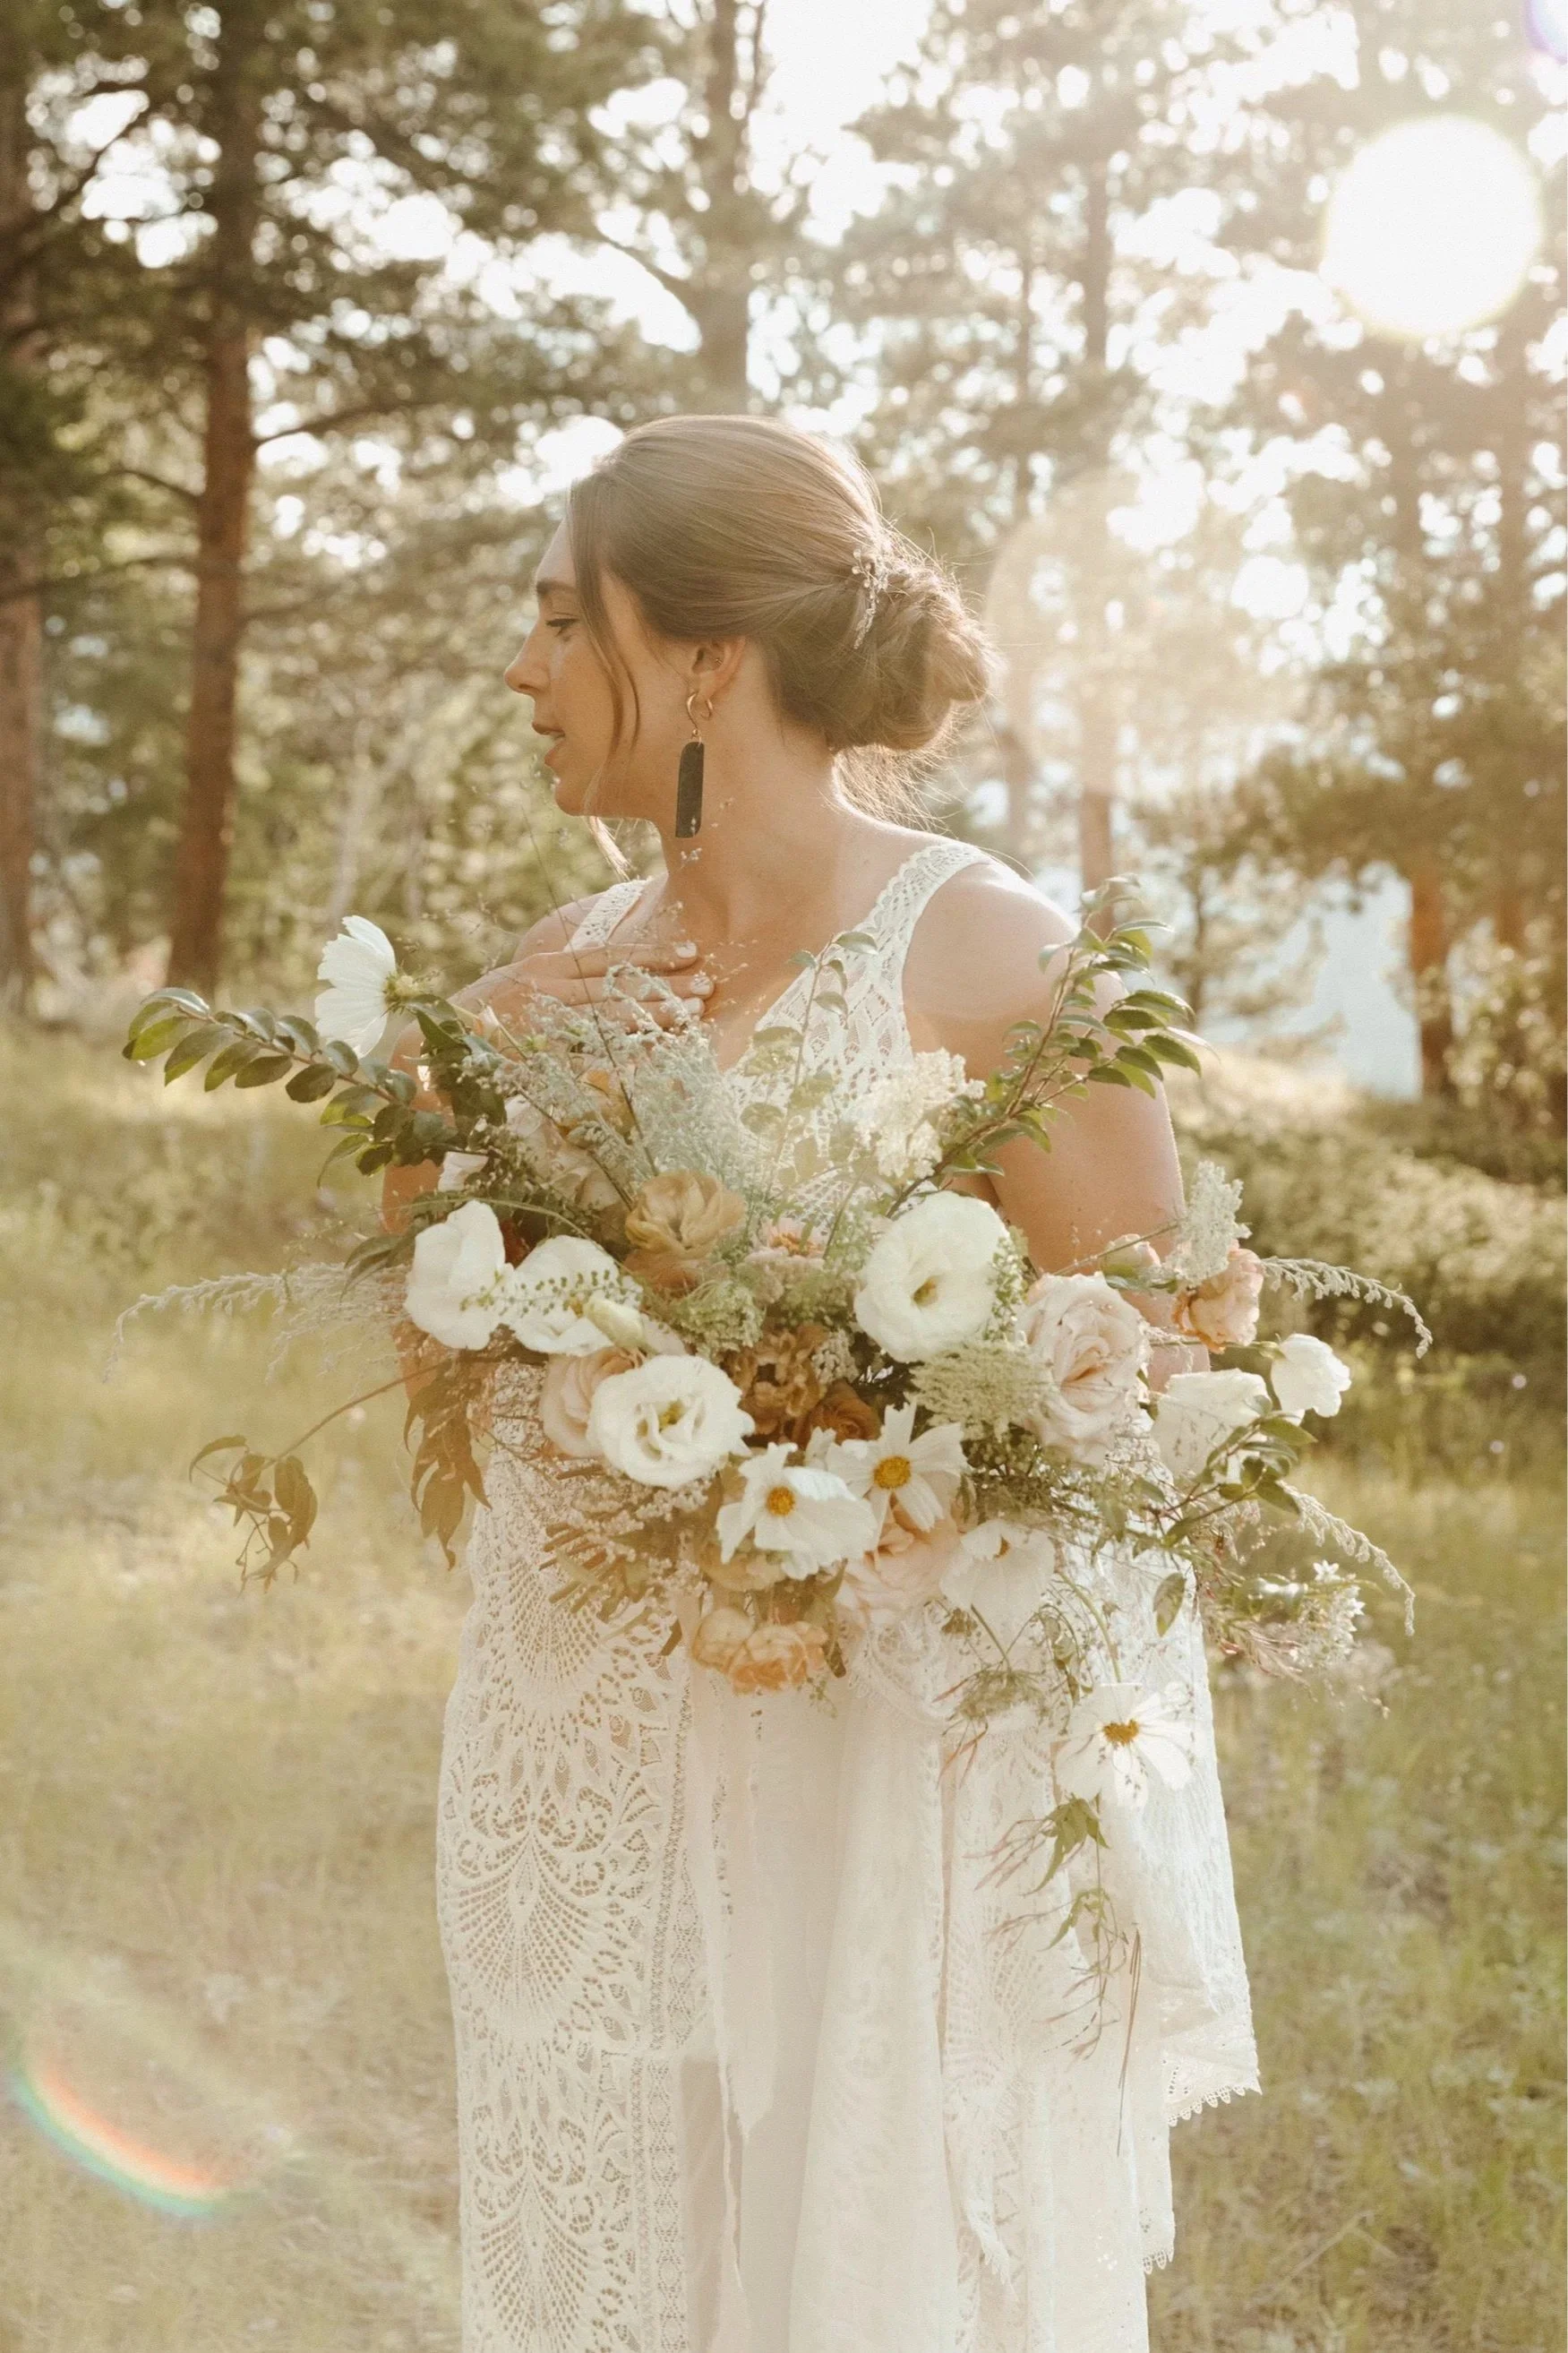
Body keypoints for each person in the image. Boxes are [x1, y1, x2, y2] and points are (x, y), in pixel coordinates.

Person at [390, 416, 1256, 2353]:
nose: (522, 672)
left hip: (865, 1779)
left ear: (704, 657)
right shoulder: (550, 975)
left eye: (560, 620)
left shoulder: (996, 960)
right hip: (585, 1758)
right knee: (626, 2236)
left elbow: (1147, 1391)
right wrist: (451, 1144)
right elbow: (447, 1355)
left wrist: (866, 1453)